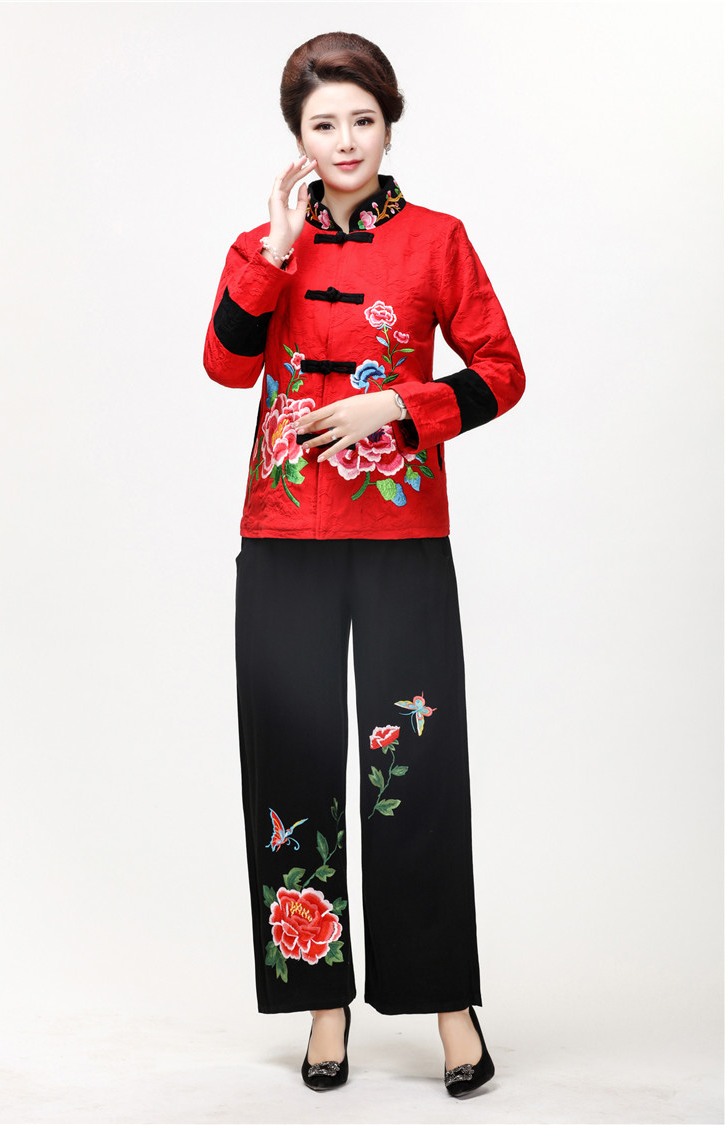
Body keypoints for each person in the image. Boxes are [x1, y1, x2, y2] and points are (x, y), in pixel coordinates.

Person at [203, 31, 525, 1097]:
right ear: (297, 138)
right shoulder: (265, 247)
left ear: (389, 125)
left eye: (362, 120)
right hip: (283, 536)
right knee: (292, 769)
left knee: (414, 777)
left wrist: (397, 402)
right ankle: (321, 1006)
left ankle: (448, 1006)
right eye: (323, 124)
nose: (344, 141)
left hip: (402, 540)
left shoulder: (438, 239)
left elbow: (501, 372)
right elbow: (224, 366)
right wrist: (274, 251)